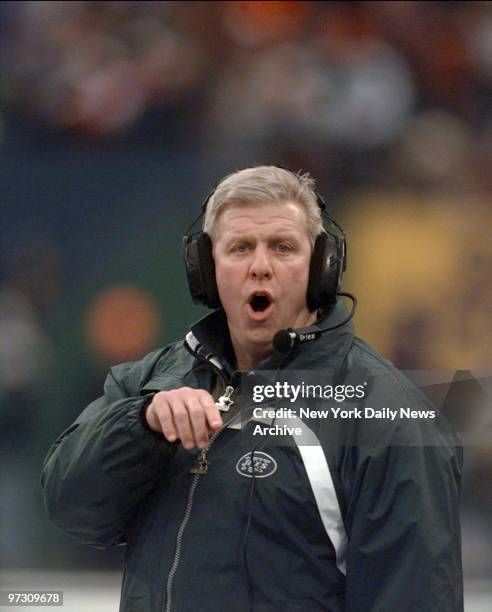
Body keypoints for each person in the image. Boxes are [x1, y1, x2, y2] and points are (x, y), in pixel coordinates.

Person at [42, 166, 463, 611]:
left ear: (323, 266)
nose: (260, 267)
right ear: (205, 268)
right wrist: (141, 426)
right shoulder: (148, 385)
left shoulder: (387, 417)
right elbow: (71, 511)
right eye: (240, 248)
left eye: (283, 248)